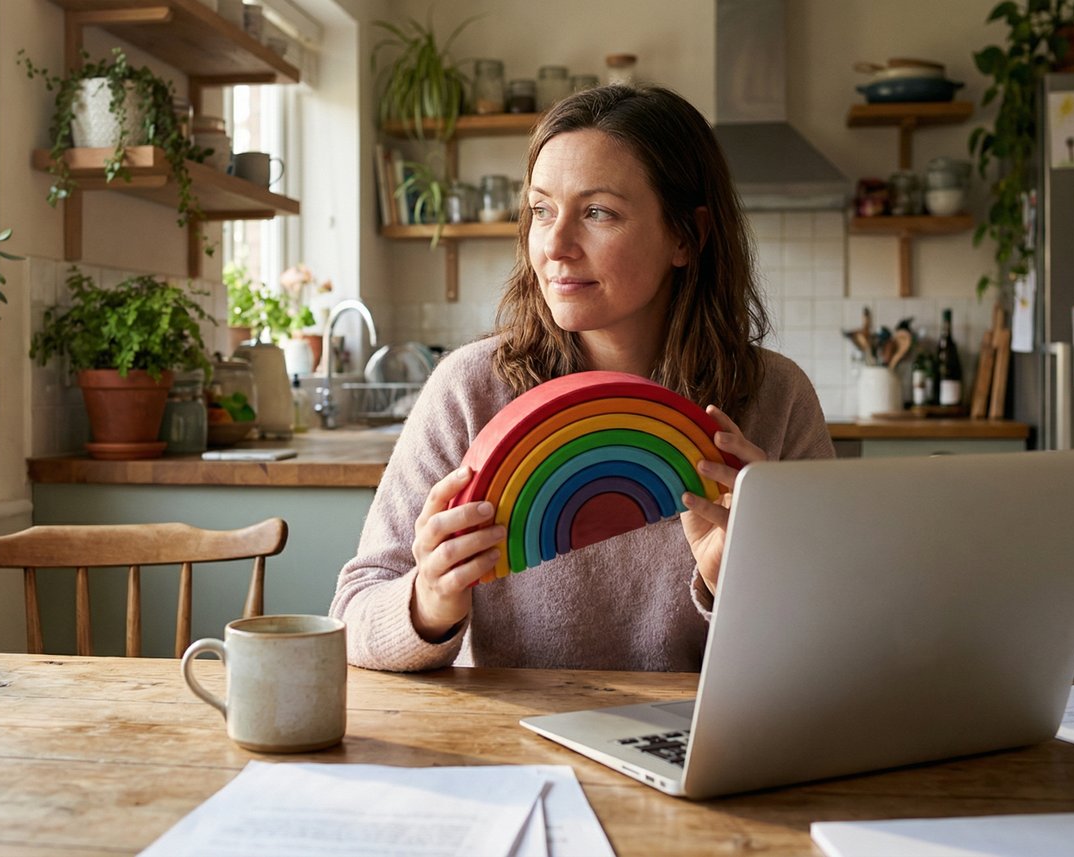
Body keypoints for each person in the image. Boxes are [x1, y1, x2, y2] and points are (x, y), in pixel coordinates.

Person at [330, 84, 833, 673]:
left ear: (686, 236)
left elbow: (834, 641)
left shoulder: (778, 398)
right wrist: (428, 602)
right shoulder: (469, 390)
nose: (555, 246)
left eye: (597, 212)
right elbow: (352, 616)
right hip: (507, 751)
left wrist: (741, 583)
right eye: (541, 210)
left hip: (695, 753)